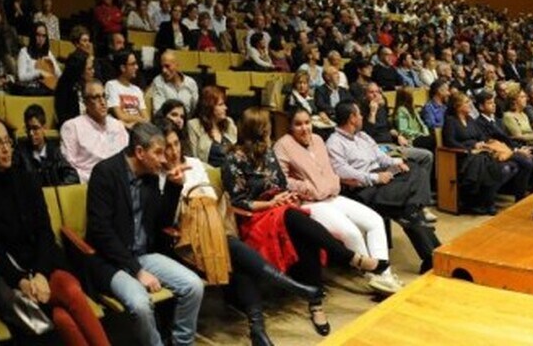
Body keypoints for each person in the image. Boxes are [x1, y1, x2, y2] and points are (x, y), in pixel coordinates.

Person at [157, 121, 320, 346]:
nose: (173, 151)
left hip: (214, 228)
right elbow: (165, 218)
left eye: (176, 144)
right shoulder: (157, 175)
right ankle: (289, 287)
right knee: (234, 250)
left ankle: (258, 329)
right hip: (184, 241)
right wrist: (175, 187)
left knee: (235, 254)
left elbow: (212, 196)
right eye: (167, 147)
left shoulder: (194, 164)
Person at [223, 107, 382, 336]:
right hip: (255, 217)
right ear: (258, 129)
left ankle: (316, 302)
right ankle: (346, 259)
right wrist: (271, 203)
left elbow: (281, 183)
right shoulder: (233, 159)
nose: (270, 130)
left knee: (303, 232)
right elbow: (238, 202)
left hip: (279, 209)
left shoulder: (268, 152)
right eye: (267, 126)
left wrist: (286, 196)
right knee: (294, 218)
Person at [0, 113, 108, 346]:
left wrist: (42, 274)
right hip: (13, 279)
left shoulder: (28, 179)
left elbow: (45, 231)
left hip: (46, 265)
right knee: (63, 316)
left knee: (70, 298)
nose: (5, 149)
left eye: (7, 141)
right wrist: (22, 281)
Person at [84, 122, 204, 346]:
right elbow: (101, 232)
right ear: (139, 152)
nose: (163, 159)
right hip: (110, 261)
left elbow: (161, 223)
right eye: (158, 152)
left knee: (193, 286)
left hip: (143, 256)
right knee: (140, 305)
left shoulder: (149, 177)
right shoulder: (105, 173)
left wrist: (173, 187)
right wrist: (137, 270)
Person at [273, 109, 401, 295]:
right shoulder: (282, 145)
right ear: (290, 127)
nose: (304, 128)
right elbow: (282, 181)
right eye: (298, 124)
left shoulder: (317, 140)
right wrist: (308, 187)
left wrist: (332, 181)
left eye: (307, 122)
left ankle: (385, 276)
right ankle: (374, 277)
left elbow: (330, 168)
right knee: (352, 233)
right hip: (310, 203)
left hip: (333, 196)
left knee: (375, 221)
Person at [326, 101, 440, 271]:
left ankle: (417, 207)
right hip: (364, 189)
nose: (362, 117)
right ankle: (434, 254)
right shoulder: (334, 143)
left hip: (383, 179)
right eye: (359, 114)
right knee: (409, 210)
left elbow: (381, 156)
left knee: (416, 168)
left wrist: (397, 162)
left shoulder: (363, 136)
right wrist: (375, 177)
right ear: (352, 118)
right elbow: (343, 173)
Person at [61, 79, 129, 183]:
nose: (102, 102)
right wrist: (97, 180)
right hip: (89, 185)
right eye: (96, 97)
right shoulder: (72, 126)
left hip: (119, 184)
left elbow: (127, 160)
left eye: (104, 96)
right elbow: (70, 168)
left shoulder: (117, 125)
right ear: (85, 102)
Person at [17, 104, 80, 186]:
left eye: (35, 128)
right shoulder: (20, 152)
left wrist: (57, 189)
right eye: (28, 129)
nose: (31, 133)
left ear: (44, 128)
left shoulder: (54, 151)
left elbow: (73, 176)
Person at [186, 85, 237, 166]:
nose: (225, 108)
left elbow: (238, 150)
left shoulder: (229, 123)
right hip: (208, 173)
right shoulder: (194, 125)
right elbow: (194, 158)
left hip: (232, 172)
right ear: (209, 106)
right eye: (221, 105)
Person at [105, 50, 148, 127]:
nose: (136, 67)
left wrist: (134, 121)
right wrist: (139, 119)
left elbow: (146, 118)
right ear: (123, 68)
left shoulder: (137, 90)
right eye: (133, 64)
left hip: (139, 129)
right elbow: (120, 115)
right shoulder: (111, 85)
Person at [16, 22, 60, 94]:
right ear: (33, 35)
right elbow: (21, 76)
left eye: (43, 36)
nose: (41, 39)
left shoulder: (48, 53)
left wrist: (52, 66)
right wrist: (39, 73)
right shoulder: (24, 52)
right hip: (29, 90)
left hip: (45, 89)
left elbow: (59, 75)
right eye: (38, 35)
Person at [54, 50, 94, 128]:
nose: (93, 71)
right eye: (89, 69)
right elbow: (65, 119)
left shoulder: (92, 85)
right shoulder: (64, 87)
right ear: (79, 71)